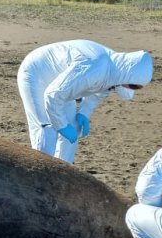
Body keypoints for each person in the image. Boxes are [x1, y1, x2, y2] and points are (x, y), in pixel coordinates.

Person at [16, 39, 153, 164]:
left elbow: (100, 91)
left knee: (74, 126)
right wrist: (61, 125)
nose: (133, 89)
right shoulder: (94, 67)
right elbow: (53, 95)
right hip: (36, 74)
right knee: (47, 131)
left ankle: (64, 171)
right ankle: (39, 173)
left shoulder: (114, 71)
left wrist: (84, 113)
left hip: (61, 83)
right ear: (128, 75)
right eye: (134, 86)